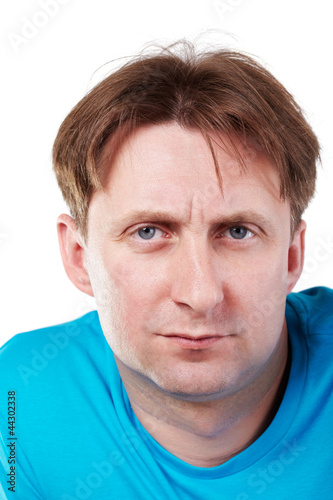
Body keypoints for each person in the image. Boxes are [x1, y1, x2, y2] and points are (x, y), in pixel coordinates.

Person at [0, 40, 332, 500]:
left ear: (293, 257)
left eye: (237, 232)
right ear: (79, 257)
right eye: (149, 232)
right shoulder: (18, 398)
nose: (200, 294)